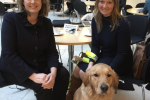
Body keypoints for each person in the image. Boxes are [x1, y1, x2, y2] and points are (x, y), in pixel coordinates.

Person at [0, 0, 69, 100]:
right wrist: (33, 76)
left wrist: (53, 74)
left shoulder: (46, 22)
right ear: (22, 1)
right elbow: (8, 54)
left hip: (38, 64)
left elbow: (51, 52)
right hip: (15, 68)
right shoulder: (10, 19)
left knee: (63, 74)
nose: (33, 1)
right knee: (43, 86)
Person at [66, 0, 133, 100]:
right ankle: (71, 96)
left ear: (115, 4)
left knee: (84, 74)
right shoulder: (96, 20)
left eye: (109, 2)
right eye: (102, 1)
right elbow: (95, 46)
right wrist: (90, 64)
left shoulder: (123, 23)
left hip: (120, 60)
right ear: (97, 3)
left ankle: (94, 96)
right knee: (78, 69)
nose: (104, 6)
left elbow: (122, 53)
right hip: (105, 55)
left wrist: (108, 70)